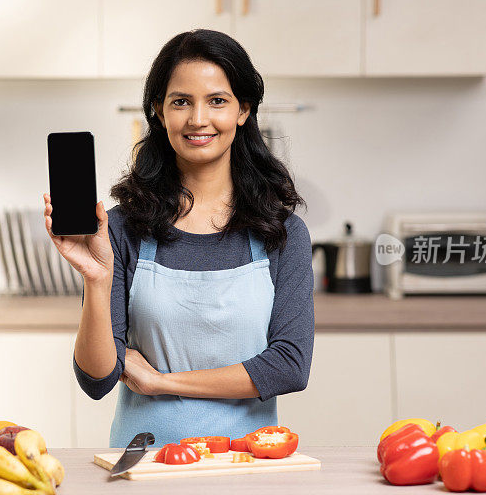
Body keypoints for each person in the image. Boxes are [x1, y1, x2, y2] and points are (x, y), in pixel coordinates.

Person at [43, 29, 314, 447]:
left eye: (217, 101)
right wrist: (95, 279)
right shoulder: (121, 228)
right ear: (159, 112)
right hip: (143, 466)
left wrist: (161, 382)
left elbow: (289, 366)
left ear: (243, 110)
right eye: (181, 101)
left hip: (248, 465)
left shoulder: (282, 233)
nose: (198, 119)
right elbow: (97, 379)